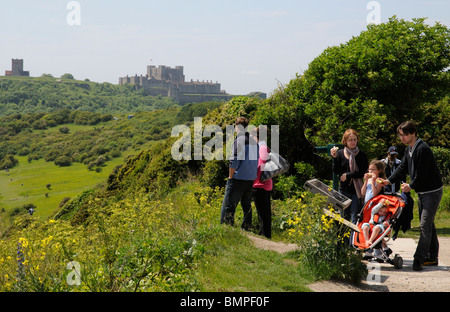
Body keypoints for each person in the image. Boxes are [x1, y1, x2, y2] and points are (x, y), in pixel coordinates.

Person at [379, 121, 443, 271]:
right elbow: (402, 168)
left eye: (404, 135)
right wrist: (388, 181)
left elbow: (422, 174)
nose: (401, 138)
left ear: (413, 133)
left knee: (424, 225)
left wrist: (410, 186)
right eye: (400, 135)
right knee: (428, 224)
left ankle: (418, 259)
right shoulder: (409, 149)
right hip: (423, 192)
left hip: (432, 192)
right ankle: (432, 257)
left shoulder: (423, 149)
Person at [220, 117, 259, 231]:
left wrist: (230, 176)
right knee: (246, 205)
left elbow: (234, 161)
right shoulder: (253, 142)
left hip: (239, 177)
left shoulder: (239, 140)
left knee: (229, 205)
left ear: (237, 127)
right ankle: (247, 227)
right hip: (251, 178)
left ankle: (226, 228)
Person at [331, 129, 368, 224]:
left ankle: (353, 239)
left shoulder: (361, 155)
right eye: (350, 140)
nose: (353, 142)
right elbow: (336, 171)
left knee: (355, 219)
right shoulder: (340, 153)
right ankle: (344, 239)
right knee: (343, 219)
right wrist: (334, 159)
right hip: (343, 190)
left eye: (355, 140)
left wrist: (348, 175)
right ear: (345, 141)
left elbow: (362, 172)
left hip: (356, 192)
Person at [251, 126, 273, 239]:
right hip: (264, 183)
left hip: (260, 184)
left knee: (263, 212)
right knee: (264, 211)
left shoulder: (261, 147)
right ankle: (264, 233)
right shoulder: (264, 146)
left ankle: (265, 235)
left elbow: (261, 164)